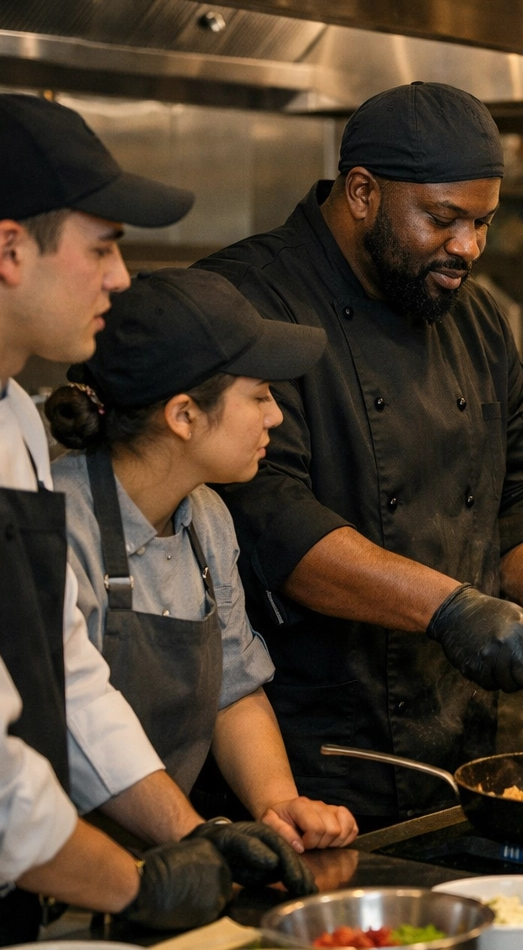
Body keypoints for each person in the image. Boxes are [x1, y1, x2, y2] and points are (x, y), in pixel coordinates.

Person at [0, 94, 310, 950]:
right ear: (7, 250)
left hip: (1, 904)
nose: (118, 277)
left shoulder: (11, 420)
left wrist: (191, 837)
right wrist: (138, 885)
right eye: (102, 248)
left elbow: (67, 678)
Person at [197, 82, 523, 827]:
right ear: (361, 192)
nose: (469, 249)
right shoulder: (248, 304)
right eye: (444, 220)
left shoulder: (477, 317)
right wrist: (452, 610)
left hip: (459, 737)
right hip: (309, 755)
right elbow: (272, 522)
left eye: (483, 223)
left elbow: (520, 490)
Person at [45, 268, 357, 853]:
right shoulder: (57, 527)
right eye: (260, 396)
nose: (276, 418)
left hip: (167, 851)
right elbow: (70, 726)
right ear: (183, 415)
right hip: (63, 865)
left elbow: (233, 689)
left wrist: (277, 803)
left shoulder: (207, 518)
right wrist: (190, 838)